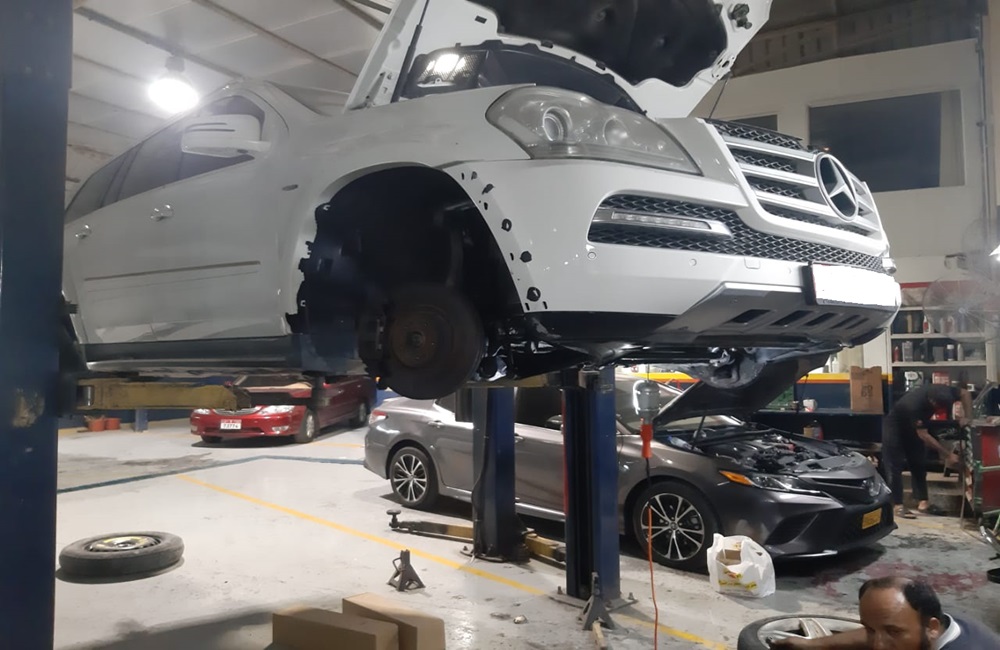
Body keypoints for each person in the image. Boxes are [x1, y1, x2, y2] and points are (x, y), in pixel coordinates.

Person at [769, 577, 1000, 649]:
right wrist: (813, 644)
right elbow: (875, 632)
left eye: (893, 632)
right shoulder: (941, 623)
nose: (878, 645)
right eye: (871, 630)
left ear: (931, 628)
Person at [882, 383, 971, 519]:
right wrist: (947, 455)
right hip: (895, 428)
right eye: (938, 407)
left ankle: (923, 503)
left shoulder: (947, 392)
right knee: (894, 466)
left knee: (918, 463)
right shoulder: (915, 405)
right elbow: (924, 435)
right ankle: (897, 505)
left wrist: (967, 417)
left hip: (914, 429)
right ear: (932, 401)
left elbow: (965, 393)